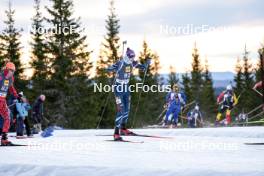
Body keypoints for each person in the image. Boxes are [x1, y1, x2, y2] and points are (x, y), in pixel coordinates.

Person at [107, 48, 150, 141]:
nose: (132, 59)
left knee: (127, 109)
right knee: (120, 109)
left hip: (126, 88)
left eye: (133, 57)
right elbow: (109, 68)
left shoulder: (132, 63)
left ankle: (123, 128)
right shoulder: (121, 62)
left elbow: (141, 66)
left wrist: (146, 65)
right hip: (118, 88)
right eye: (131, 57)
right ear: (127, 56)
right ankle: (116, 133)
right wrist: (113, 68)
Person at [0, 62, 19, 146]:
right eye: (11, 70)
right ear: (6, 69)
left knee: (7, 117)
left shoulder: (10, 79)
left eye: (13, 71)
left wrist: (17, 96)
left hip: (3, 101)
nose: (12, 72)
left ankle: (4, 139)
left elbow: (11, 88)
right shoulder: (1, 77)